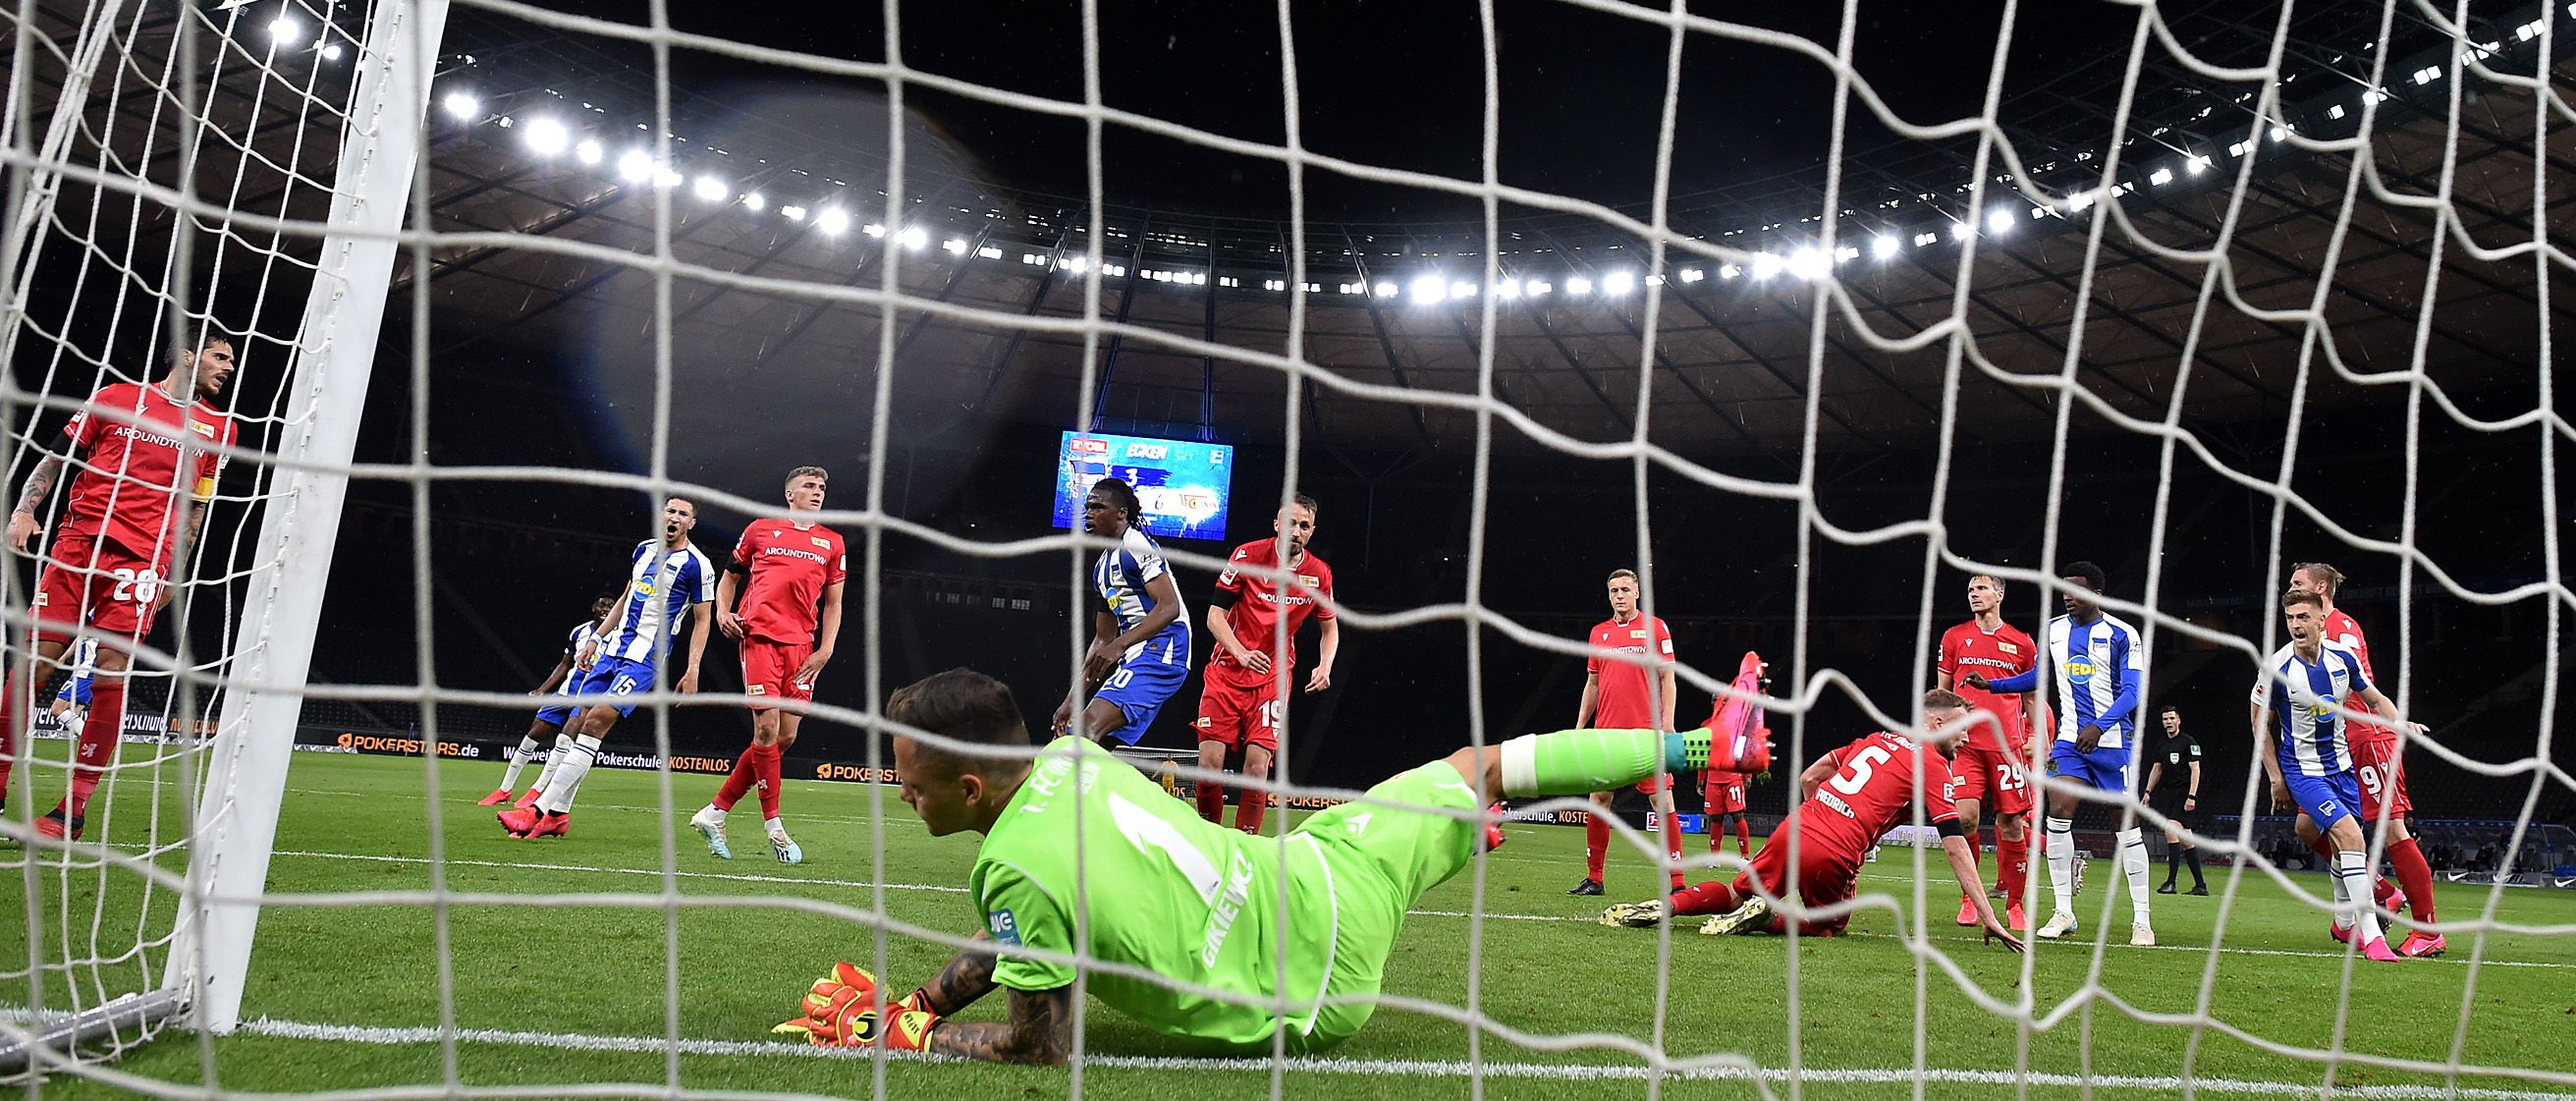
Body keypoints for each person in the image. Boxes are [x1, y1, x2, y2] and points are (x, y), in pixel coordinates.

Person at [766, 656, 1781, 1059]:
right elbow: (1023, 936)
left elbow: (1042, 1048)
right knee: (1480, 766)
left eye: (912, 775)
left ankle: (1691, 750)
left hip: (1311, 982)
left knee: (1475, 772)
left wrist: (901, 1037)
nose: (901, 790)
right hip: (1318, 872)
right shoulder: (1069, 756)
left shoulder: (1015, 870)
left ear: (972, 788)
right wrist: (929, 999)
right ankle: (1700, 744)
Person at [3, 330, 236, 841]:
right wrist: (24, 509)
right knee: (34, 662)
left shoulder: (220, 428)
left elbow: (198, 505)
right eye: (220, 356)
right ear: (189, 355)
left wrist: (177, 568)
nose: (228, 368)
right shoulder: (115, 397)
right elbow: (56, 456)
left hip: (144, 561)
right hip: (78, 544)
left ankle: (73, 809)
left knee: (111, 671)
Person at [1603, 690, 2026, 946]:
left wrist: (1823, 814)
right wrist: (1989, 914)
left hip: (1799, 825)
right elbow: (1955, 843)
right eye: (1962, 729)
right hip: (1834, 852)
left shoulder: (1877, 739)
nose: (1967, 738)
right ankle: (1768, 918)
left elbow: (1811, 776)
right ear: (1935, 723)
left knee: (1737, 891)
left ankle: (1671, 905)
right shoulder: (1933, 763)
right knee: (1829, 925)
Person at [497, 496, 713, 840]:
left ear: (691, 523)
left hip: (645, 659)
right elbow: (627, 598)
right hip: (611, 652)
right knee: (580, 720)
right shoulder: (643, 550)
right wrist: (595, 639)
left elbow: (703, 621)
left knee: (596, 720)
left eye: (683, 514)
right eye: (670, 510)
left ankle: (534, 811)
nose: (674, 517)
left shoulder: (697, 565)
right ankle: (558, 815)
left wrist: (693, 670)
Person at [1962, 561, 2154, 945]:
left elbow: (2133, 692)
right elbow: (2039, 677)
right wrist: (1994, 685)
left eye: (2075, 589)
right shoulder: (2054, 630)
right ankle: (2063, 909)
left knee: (2125, 824)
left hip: (2114, 742)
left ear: (2095, 594)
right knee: (2059, 809)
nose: (2067, 596)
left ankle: (2142, 920)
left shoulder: (2123, 634)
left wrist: (2100, 726)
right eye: (2064, 589)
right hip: (2070, 740)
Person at [2256, 586, 2422, 963]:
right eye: (2290, 618)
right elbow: (2258, 724)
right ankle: (2372, 938)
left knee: (2339, 845)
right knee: (2350, 838)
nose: (2296, 625)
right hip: (2304, 772)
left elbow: (2375, 699)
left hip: (2343, 768)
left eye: (2303, 618)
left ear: (2320, 620)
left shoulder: (2343, 658)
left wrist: (2400, 724)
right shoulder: (2277, 668)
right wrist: (2276, 777)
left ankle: (2344, 923)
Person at [693, 465, 847, 864]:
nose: (817, 492)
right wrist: (724, 613)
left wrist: (826, 649)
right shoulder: (760, 530)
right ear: (790, 493)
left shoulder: (833, 543)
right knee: (766, 728)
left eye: (821, 487)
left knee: (784, 738)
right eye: (809, 486)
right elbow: (728, 578)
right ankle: (774, 826)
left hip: (802, 648)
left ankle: (715, 812)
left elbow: (834, 603)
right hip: (759, 639)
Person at [2288, 562, 2440, 954]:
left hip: (2366, 737)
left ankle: (2427, 931)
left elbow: (2361, 689)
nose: (2290, 589)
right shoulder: (2307, 633)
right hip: (2334, 749)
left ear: (2320, 588)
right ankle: (2382, 891)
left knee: (2393, 832)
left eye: (2298, 584)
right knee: (2307, 826)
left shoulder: (2339, 627)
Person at [1191, 495, 1337, 833]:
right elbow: (1215, 616)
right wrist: (1241, 652)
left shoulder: (1318, 574)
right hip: (1226, 673)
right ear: (1276, 525)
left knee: (1257, 769)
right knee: (1209, 767)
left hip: (1272, 679)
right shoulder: (1247, 556)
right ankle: (1207, 838)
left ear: (1312, 531)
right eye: (1290, 523)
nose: (1296, 531)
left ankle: (1246, 847)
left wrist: (1324, 664)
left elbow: (1330, 628)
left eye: (1304, 526)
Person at [1052, 476, 1191, 747]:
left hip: (1163, 650)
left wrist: (1119, 645)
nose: (1089, 514)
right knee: (1092, 742)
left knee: (1084, 731)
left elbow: (1170, 606)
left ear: (1121, 514)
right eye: (1088, 507)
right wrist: (1072, 700)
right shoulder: (1101, 569)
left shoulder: (1136, 545)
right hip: (1135, 657)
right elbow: (1103, 640)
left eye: (1098, 507)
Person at [1937, 572, 2037, 929]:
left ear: (1999, 594)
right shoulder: (1955, 637)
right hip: (1965, 745)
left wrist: (2038, 734)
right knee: (1964, 819)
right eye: (1970, 590)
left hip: (2007, 747)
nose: (1973, 594)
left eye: (1980, 588)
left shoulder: (2022, 643)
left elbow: (2031, 695)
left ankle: (2015, 904)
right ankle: (1970, 898)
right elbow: (1942, 694)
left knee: (2011, 824)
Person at [1572, 567, 1681, 895]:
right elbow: (1593, 683)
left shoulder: (1655, 628)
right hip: (1607, 735)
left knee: (1662, 803)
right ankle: (1595, 879)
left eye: (1624, 590)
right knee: (1599, 800)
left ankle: (1678, 883)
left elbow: (1668, 678)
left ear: (1637, 592)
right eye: (1613, 591)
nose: (1619, 596)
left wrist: (1667, 723)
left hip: (1646, 734)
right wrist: (1580, 725)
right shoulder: (1598, 633)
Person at [479, 596, 617, 806]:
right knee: (533, 734)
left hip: (588, 697)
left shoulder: (618, 636)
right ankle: (504, 790)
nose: (606, 609)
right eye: (602, 605)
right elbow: (564, 664)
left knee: (563, 740)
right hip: (564, 693)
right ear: (593, 609)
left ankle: (536, 790)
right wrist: (543, 689)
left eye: (610, 606)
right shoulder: (579, 632)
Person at [2142, 708, 2210, 894]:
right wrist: (2148, 791)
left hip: (2185, 794)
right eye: (2165, 719)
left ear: (2179, 720)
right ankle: (2201, 886)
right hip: (2169, 795)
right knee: (2187, 840)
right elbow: (2157, 769)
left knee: (2170, 830)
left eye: (2172, 718)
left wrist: (2192, 796)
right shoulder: (2162, 744)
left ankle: (2171, 883)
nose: (2168, 722)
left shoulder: (2188, 742)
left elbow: (2195, 770)